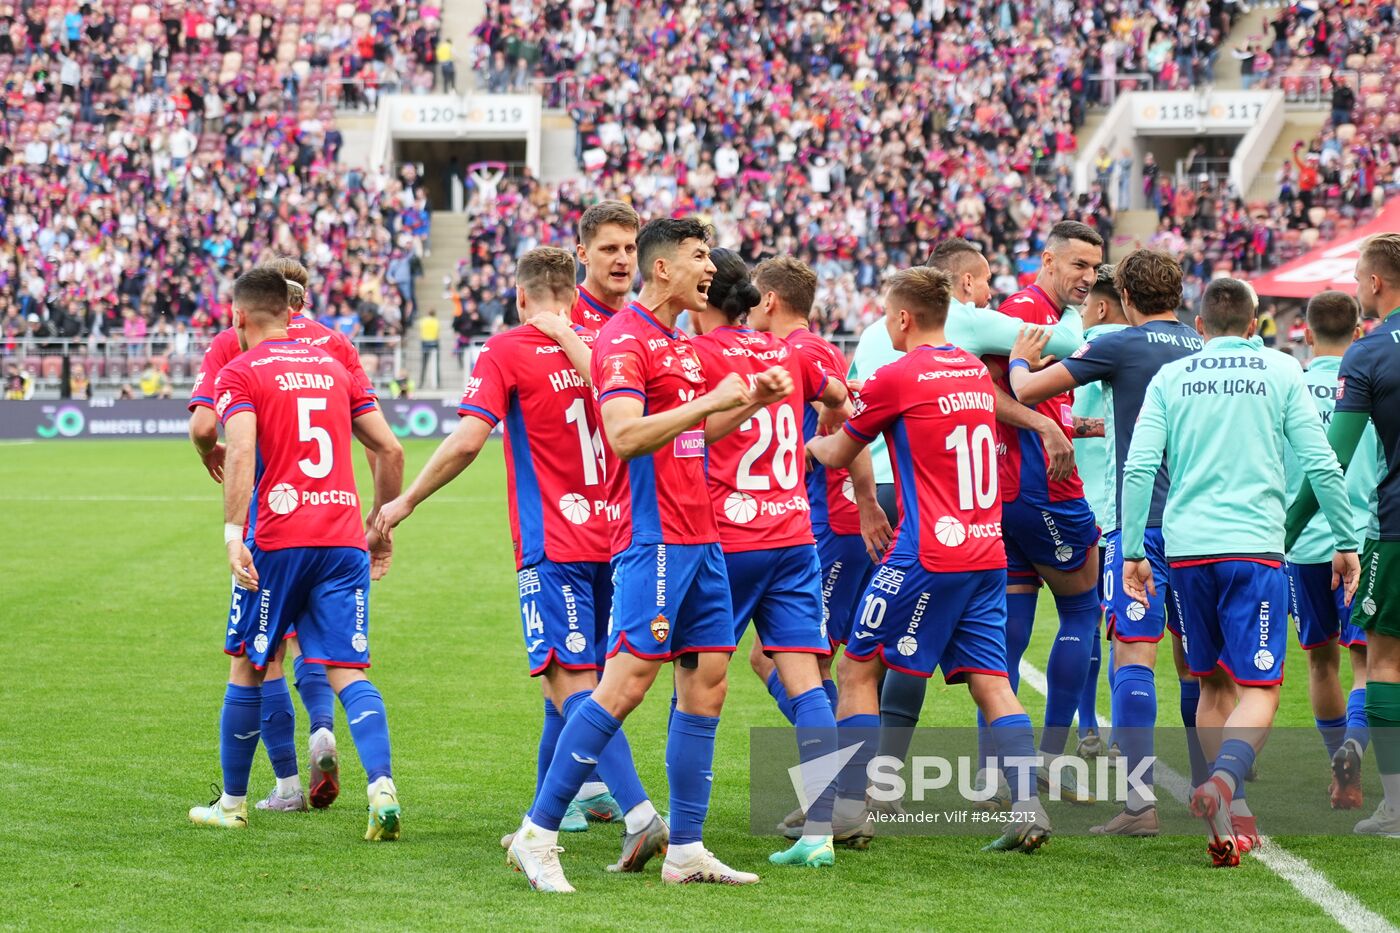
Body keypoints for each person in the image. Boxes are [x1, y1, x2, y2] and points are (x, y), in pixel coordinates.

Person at [505, 218, 792, 891]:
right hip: (653, 537)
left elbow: (699, 431)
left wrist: (748, 401)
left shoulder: (682, 344)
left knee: (709, 682)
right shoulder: (622, 340)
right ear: (662, 269)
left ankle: (685, 848)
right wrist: (717, 400)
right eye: (699, 258)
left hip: (702, 535)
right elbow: (626, 434)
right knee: (626, 683)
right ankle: (537, 833)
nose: (712, 272)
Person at [375, 247, 659, 854]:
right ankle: (553, 813)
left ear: (522, 296)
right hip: (621, 536)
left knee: (572, 683)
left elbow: (467, 441)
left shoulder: (507, 349)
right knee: (570, 684)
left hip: (554, 543)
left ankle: (640, 815)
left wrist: (406, 503)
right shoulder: (613, 343)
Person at [806, 266, 1052, 854]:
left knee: (857, 668)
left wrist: (811, 443)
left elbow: (840, 450)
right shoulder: (969, 367)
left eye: (887, 314)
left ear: (904, 317)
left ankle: (849, 807)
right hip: (986, 550)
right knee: (993, 680)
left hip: (927, 553)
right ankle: (1028, 806)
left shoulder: (897, 376)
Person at [1121, 277, 1359, 866]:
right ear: (1255, 326)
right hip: (1254, 548)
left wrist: (1130, 550)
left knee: (1210, 685)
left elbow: (1139, 465)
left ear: (1198, 327)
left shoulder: (1171, 377)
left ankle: (1231, 815)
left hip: (1185, 551)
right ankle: (1224, 784)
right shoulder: (1281, 371)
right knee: (1259, 689)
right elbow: (1321, 462)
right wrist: (1345, 538)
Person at [861, 237, 1089, 808]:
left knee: (862, 660)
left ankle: (856, 793)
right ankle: (1028, 793)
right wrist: (1026, 364)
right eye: (987, 284)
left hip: (894, 502)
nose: (995, 297)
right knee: (984, 667)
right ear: (962, 287)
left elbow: (844, 437)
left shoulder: (878, 340)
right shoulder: (968, 344)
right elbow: (1069, 344)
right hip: (961, 518)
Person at [187, 266, 406, 839]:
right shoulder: (334, 365)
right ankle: (381, 788)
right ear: (291, 312)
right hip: (341, 540)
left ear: (237, 316)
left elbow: (237, 451)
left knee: (251, 663)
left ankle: (233, 803)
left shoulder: (240, 370)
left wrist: (234, 532)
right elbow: (389, 448)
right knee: (348, 669)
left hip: (279, 537)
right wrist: (379, 525)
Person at [1009, 249, 1206, 835]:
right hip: (1203, 529)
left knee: (1133, 654)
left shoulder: (1120, 342)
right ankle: (1211, 787)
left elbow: (1028, 390)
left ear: (1123, 292)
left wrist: (1019, 362)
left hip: (1140, 522)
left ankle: (1140, 805)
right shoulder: (1202, 347)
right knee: (1198, 664)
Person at [690, 249, 850, 867]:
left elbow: (676, 434)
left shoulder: (701, 357)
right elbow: (839, 397)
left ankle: (688, 835)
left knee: (700, 678)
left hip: (727, 539)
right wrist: (816, 442)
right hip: (792, 534)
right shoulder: (791, 354)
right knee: (806, 677)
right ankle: (820, 832)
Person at [1286, 233, 1400, 836]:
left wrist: (1285, 528)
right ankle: (1362, 760)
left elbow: (1317, 461)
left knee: (1345, 661)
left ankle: (1367, 783)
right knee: (1369, 661)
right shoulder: (1371, 359)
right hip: (1367, 532)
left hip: (1336, 540)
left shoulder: (1357, 359)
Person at [987, 221, 1105, 800]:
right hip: (1044, 492)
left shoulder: (1048, 318)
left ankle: (1000, 770)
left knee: (1012, 629)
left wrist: (1085, 427)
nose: (1088, 277)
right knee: (1083, 612)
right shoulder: (1025, 315)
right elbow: (991, 395)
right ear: (1049, 259)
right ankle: (1048, 764)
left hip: (1012, 494)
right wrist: (1046, 429)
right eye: (1078, 265)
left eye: (1094, 267)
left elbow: (1040, 403)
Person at [748, 257, 890, 732]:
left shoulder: (798, 353)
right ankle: (838, 782)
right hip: (831, 519)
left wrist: (866, 503)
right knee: (771, 657)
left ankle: (843, 784)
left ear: (769, 300)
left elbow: (850, 424)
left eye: (753, 296)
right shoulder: (819, 348)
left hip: (832, 520)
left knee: (814, 664)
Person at [1284, 291, 1377, 810]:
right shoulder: (1376, 381)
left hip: (1303, 546)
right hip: (1363, 541)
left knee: (1321, 664)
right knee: (1369, 663)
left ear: (1306, 333)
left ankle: (1337, 768)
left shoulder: (1289, 388)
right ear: (1359, 331)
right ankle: (1354, 749)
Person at [1064, 266, 1130, 759]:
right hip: (1130, 509)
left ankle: (1088, 726)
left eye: (1088, 303)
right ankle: (1118, 732)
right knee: (1123, 628)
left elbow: (1053, 418)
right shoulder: (1149, 350)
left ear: (1102, 305)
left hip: (1079, 505)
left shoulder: (1074, 348)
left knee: (1083, 619)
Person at [570, 200, 639, 331]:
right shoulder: (564, 314)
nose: (623, 260)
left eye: (630, 249)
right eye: (610, 249)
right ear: (583, 254)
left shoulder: (641, 320)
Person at [418, 307, 440, 389]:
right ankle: (437, 383)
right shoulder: (436, 321)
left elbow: (421, 330)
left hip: (425, 342)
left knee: (424, 364)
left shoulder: (423, 320)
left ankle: (421, 382)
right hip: (434, 342)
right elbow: (437, 332)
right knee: (436, 364)